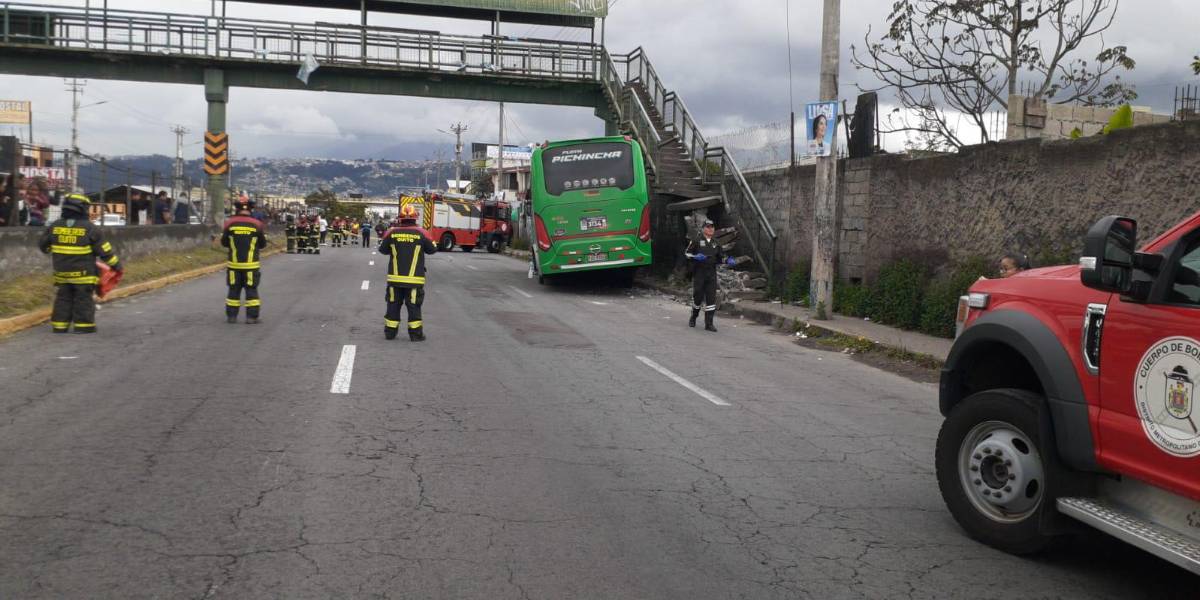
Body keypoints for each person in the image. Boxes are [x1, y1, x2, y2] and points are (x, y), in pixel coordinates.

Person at [38, 194, 122, 333]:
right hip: (83, 274)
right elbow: (105, 251)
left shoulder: (55, 226)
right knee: (83, 298)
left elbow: (43, 246)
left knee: (63, 298)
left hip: (61, 273)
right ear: (82, 209)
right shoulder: (90, 228)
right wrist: (116, 265)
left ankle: (59, 326)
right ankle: (84, 326)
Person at [379, 203, 437, 341]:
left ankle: (390, 333)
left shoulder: (391, 232)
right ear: (415, 218)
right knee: (413, 307)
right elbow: (432, 249)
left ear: (400, 218)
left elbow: (382, 250)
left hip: (395, 279)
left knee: (393, 305)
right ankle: (416, 335)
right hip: (414, 280)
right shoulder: (422, 233)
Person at [220, 195, 268, 323]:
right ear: (251, 209)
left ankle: (231, 316)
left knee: (233, 290)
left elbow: (224, 243)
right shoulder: (257, 224)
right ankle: (251, 317)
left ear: (237, 209)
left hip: (234, 265)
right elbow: (263, 244)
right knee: (251, 291)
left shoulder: (229, 223)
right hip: (251, 266)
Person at [685, 218, 736, 332]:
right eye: (708, 227)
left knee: (711, 298)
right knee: (697, 297)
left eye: (712, 227)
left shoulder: (716, 242)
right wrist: (695, 257)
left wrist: (727, 260)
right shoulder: (697, 240)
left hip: (711, 273)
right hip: (699, 273)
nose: (711, 229)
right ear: (703, 229)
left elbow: (721, 257)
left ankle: (709, 323)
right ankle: (693, 316)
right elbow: (687, 253)